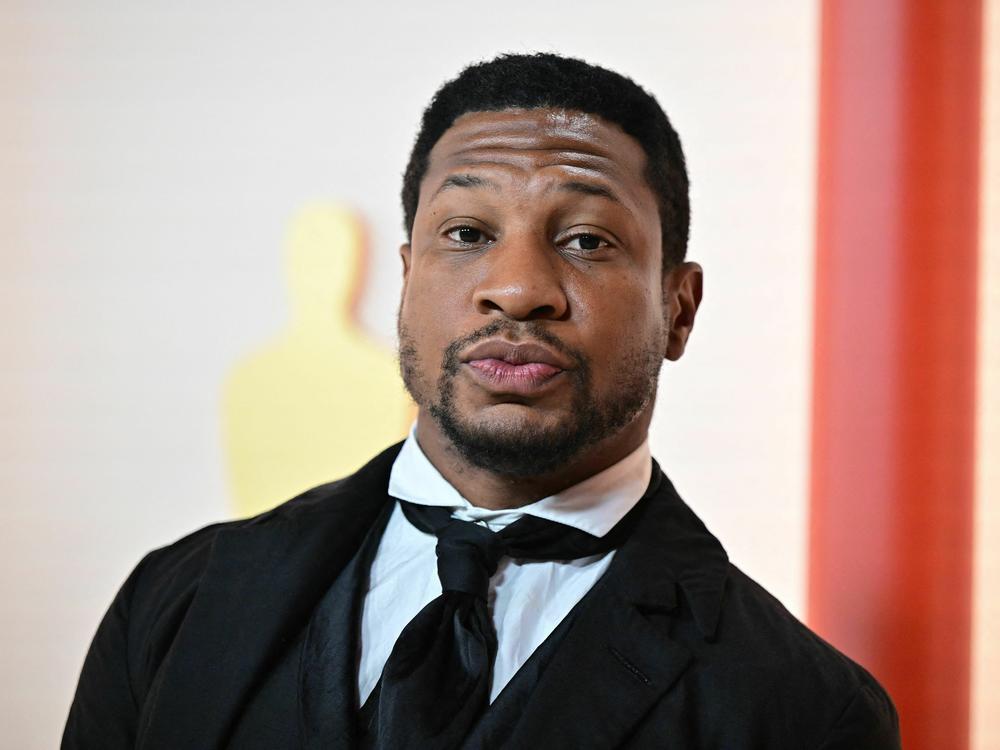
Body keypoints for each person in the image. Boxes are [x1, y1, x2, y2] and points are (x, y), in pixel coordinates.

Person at [63, 53, 901, 749]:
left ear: (677, 309)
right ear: (404, 282)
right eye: (466, 235)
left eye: (585, 240)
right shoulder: (174, 601)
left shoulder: (805, 713)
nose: (517, 289)